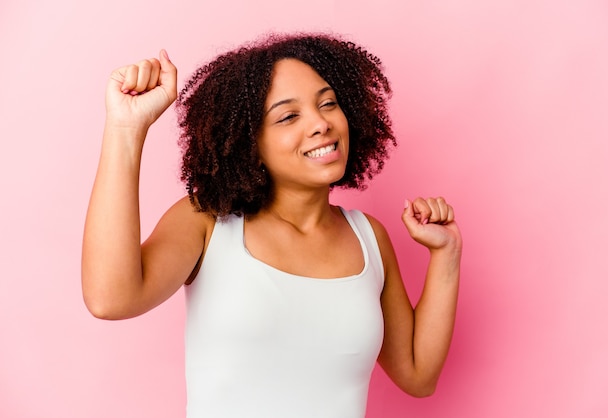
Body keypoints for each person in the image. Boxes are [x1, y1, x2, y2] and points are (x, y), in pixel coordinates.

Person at [81, 33, 462, 418]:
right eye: (288, 116)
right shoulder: (208, 222)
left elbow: (418, 375)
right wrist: (126, 130)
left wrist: (446, 253)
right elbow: (111, 299)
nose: (321, 124)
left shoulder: (369, 238)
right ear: (250, 142)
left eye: (328, 103)